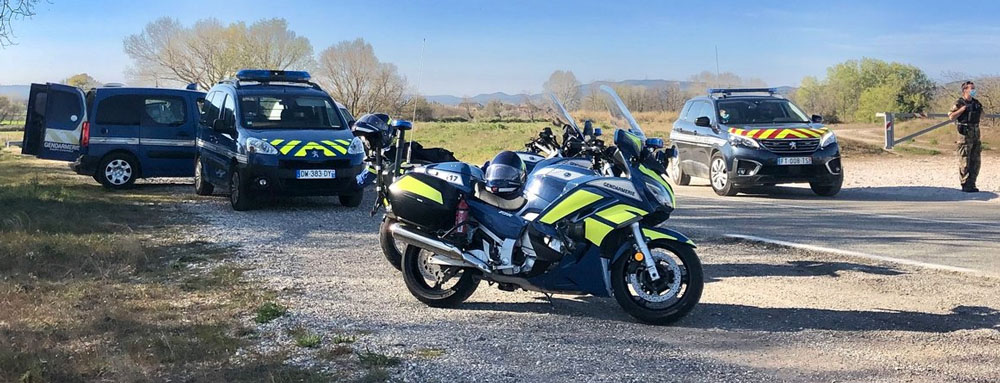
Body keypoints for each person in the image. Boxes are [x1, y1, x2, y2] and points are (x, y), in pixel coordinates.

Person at [948, 81, 984, 192]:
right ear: (965, 90)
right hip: (964, 135)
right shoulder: (959, 102)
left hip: (975, 134)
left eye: (974, 88)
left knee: (976, 161)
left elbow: (982, 114)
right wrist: (961, 110)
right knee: (964, 161)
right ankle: (965, 184)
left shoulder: (976, 103)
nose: (973, 90)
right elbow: (951, 116)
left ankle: (972, 184)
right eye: (971, 88)